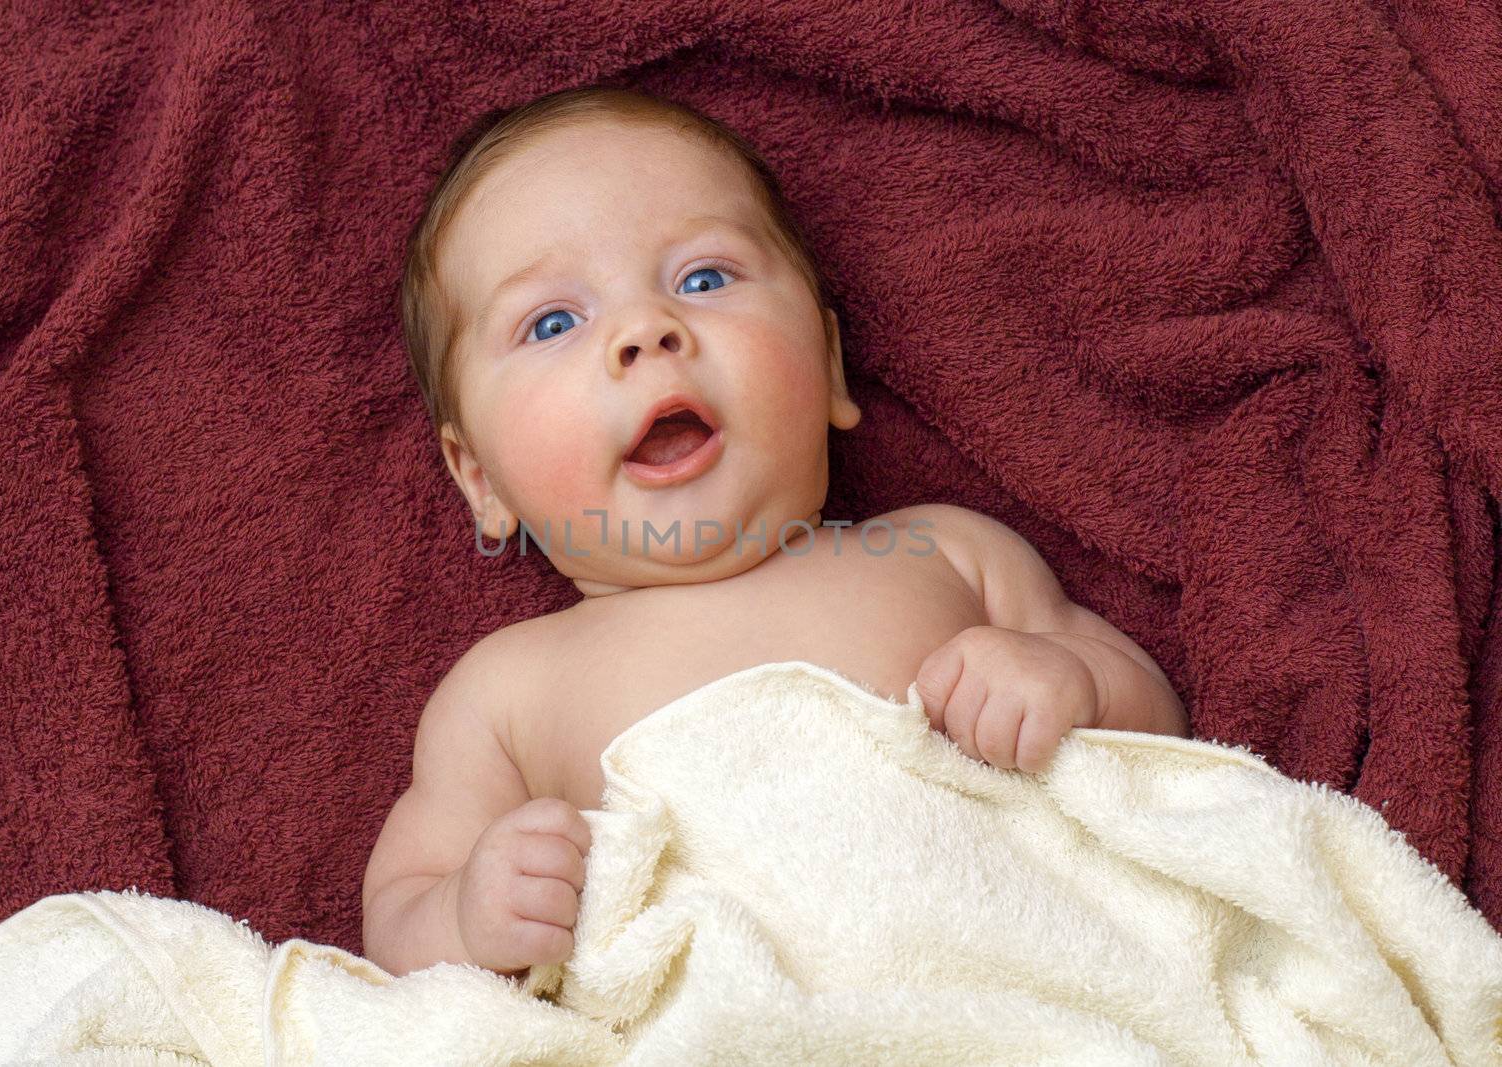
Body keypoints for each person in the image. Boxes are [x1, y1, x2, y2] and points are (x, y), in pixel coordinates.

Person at [363, 85, 1188, 981]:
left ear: (830, 364)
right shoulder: (504, 691)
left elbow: (1163, 730)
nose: (647, 331)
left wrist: (1067, 682)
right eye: (553, 322)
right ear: (482, 478)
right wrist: (467, 910)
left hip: (1017, 979)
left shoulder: (945, 552)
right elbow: (402, 907)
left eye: (703, 278)